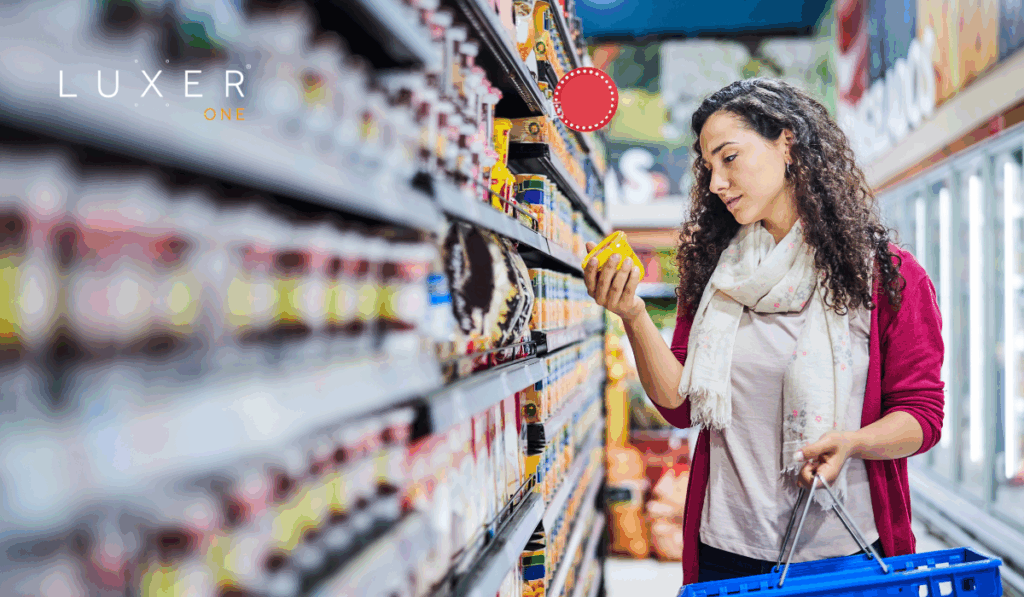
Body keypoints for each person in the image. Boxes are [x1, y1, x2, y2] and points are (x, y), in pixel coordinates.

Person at [583, 78, 945, 585]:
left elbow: (922, 416)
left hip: (847, 555)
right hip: (726, 552)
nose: (716, 183)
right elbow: (681, 404)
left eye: (729, 158)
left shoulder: (888, 277)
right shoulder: (717, 277)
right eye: (708, 166)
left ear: (787, 142)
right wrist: (633, 314)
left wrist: (853, 442)